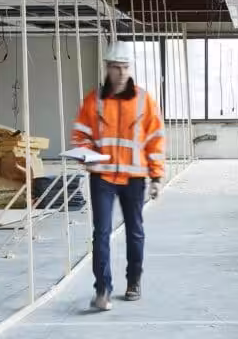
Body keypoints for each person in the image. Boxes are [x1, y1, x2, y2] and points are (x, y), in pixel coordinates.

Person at [71, 41, 165, 311]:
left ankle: (133, 282)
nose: (121, 73)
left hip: (134, 178)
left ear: (130, 68)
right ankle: (102, 290)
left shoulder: (144, 101)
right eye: (116, 68)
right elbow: (80, 134)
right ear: (107, 69)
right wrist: (85, 155)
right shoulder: (94, 101)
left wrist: (157, 178)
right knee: (101, 234)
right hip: (102, 177)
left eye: (125, 67)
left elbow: (155, 139)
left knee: (135, 232)